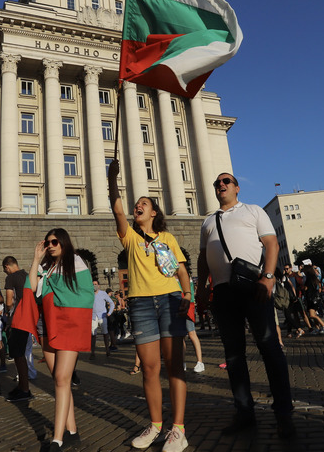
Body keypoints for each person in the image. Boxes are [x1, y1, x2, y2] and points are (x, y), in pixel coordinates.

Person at [197, 172, 296, 439]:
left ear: (237, 188)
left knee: (270, 349)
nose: (221, 185)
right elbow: (203, 258)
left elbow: (271, 243)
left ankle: (284, 414)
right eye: (217, 183)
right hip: (222, 292)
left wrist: (268, 277)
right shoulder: (208, 221)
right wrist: (201, 289)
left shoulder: (252, 211)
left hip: (253, 288)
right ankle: (244, 412)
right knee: (233, 356)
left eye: (226, 181)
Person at [108, 160, 191, 452]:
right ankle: (156, 425)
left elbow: (181, 271)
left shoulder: (167, 237)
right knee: (149, 369)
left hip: (169, 300)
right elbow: (117, 210)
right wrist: (112, 180)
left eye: (144, 204)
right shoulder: (130, 236)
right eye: (136, 204)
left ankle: (178, 429)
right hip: (141, 304)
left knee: (174, 366)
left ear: (153, 212)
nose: (137, 207)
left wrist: (188, 295)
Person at [27, 229, 93, 452]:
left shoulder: (76, 262)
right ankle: (72, 431)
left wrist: (57, 297)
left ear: (64, 242)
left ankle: (57, 439)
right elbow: (31, 288)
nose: (51, 245)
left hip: (67, 322)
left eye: (55, 241)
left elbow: (85, 294)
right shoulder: (46, 267)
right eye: (48, 242)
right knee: (59, 380)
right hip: (46, 324)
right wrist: (36, 259)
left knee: (62, 379)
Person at [2, 255, 35, 402]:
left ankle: (25, 389)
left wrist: (7, 313)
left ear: (7, 267)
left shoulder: (11, 278)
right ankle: (23, 386)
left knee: (18, 354)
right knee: (21, 353)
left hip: (17, 319)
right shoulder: (27, 276)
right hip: (28, 318)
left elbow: (9, 301)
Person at [90, 280, 116, 359]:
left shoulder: (103, 293)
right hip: (93, 316)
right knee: (93, 335)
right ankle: (92, 353)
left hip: (102, 316)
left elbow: (111, 303)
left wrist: (109, 313)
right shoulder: (89, 294)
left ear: (99, 285)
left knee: (105, 334)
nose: (94, 285)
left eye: (95, 284)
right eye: (93, 284)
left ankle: (107, 351)